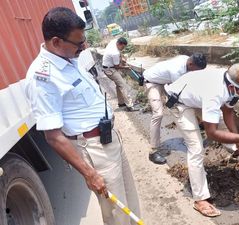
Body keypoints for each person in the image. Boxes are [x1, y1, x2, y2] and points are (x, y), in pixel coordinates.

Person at [24, 7, 140, 225]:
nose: (84, 46)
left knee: (130, 203)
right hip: (95, 150)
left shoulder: (69, 60)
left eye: (84, 40)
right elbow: (53, 137)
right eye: (79, 43)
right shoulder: (43, 77)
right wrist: (90, 173)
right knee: (117, 214)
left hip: (109, 139)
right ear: (56, 42)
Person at [164, 63, 239, 217]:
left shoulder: (231, 86)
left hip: (195, 96)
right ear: (232, 86)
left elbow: (228, 111)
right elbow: (212, 133)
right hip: (179, 101)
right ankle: (200, 199)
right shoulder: (214, 93)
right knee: (196, 148)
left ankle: (236, 149)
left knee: (220, 120)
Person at [143, 53, 207, 164]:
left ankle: (202, 124)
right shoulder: (176, 71)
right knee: (158, 114)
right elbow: (184, 93)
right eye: (196, 70)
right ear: (191, 64)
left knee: (192, 100)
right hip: (152, 82)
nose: (196, 73)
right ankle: (153, 151)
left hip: (165, 80)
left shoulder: (186, 59)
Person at [102, 37, 137, 111]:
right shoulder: (115, 53)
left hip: (108, 67)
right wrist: (126, 67)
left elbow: (120, 53)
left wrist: (121, 57)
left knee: (119, 85)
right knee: (123, 85)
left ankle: (121, 103)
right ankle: (130, 106)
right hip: (110, 70)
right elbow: (117, 66)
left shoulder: (114, 41)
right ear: (119, 44)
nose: (123, 49)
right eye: (122, 47)